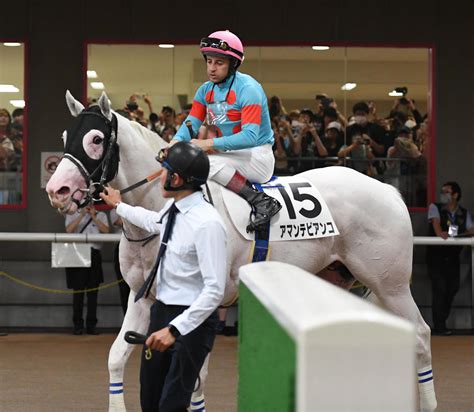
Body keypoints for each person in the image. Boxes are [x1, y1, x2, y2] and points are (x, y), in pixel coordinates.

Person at [100, 142, 227, 412]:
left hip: (192, 322)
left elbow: (215, 290)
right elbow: (152, 221)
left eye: (164, 170)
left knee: (172, 404)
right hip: (162, 311)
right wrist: (119, 205)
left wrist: (175, 330)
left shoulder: (208, 223)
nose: (160, 175)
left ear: (177, 178)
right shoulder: (173, 210)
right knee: (151, 399)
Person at [171, 30, 281, 232]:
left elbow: (250, 136)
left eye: (219, 63)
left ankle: (262, 202)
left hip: (258, 156)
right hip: (231, 155)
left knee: (204, 164)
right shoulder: (205, 90)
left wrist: (206, 144)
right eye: (209, 61)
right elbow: (191, 123)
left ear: (233, 64)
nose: (211, 68)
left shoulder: (249, 88)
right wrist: (173, 144)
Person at [427, 182, 474, 335]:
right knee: (439, 289)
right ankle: (439, 327)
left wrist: (468, 233)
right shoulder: (435, 207)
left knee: (452, 288)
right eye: (442, 191)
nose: (443, 194)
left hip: (453, 257)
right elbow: (436, 225)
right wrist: (441, 233)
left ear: (455, 195)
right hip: (436, 257)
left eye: (446, 191)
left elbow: (471, 229)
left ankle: (442, 322)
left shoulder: (463, 213)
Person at [65, 205, 109, 335]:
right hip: (78, 252)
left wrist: (94, 216)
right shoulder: (71, 213)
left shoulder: (101, 215)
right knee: (78, 291)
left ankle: (91, 326)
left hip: (94, 253)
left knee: (93, 292)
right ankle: (77, 325)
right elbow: (69, 230)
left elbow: (106, 231)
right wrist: (81, 215)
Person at [109, 208, 130, 315]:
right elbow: (118, 222)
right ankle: (126, 317)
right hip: (121, 246)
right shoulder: (115, 209)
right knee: (123, 287)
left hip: (140, 245)